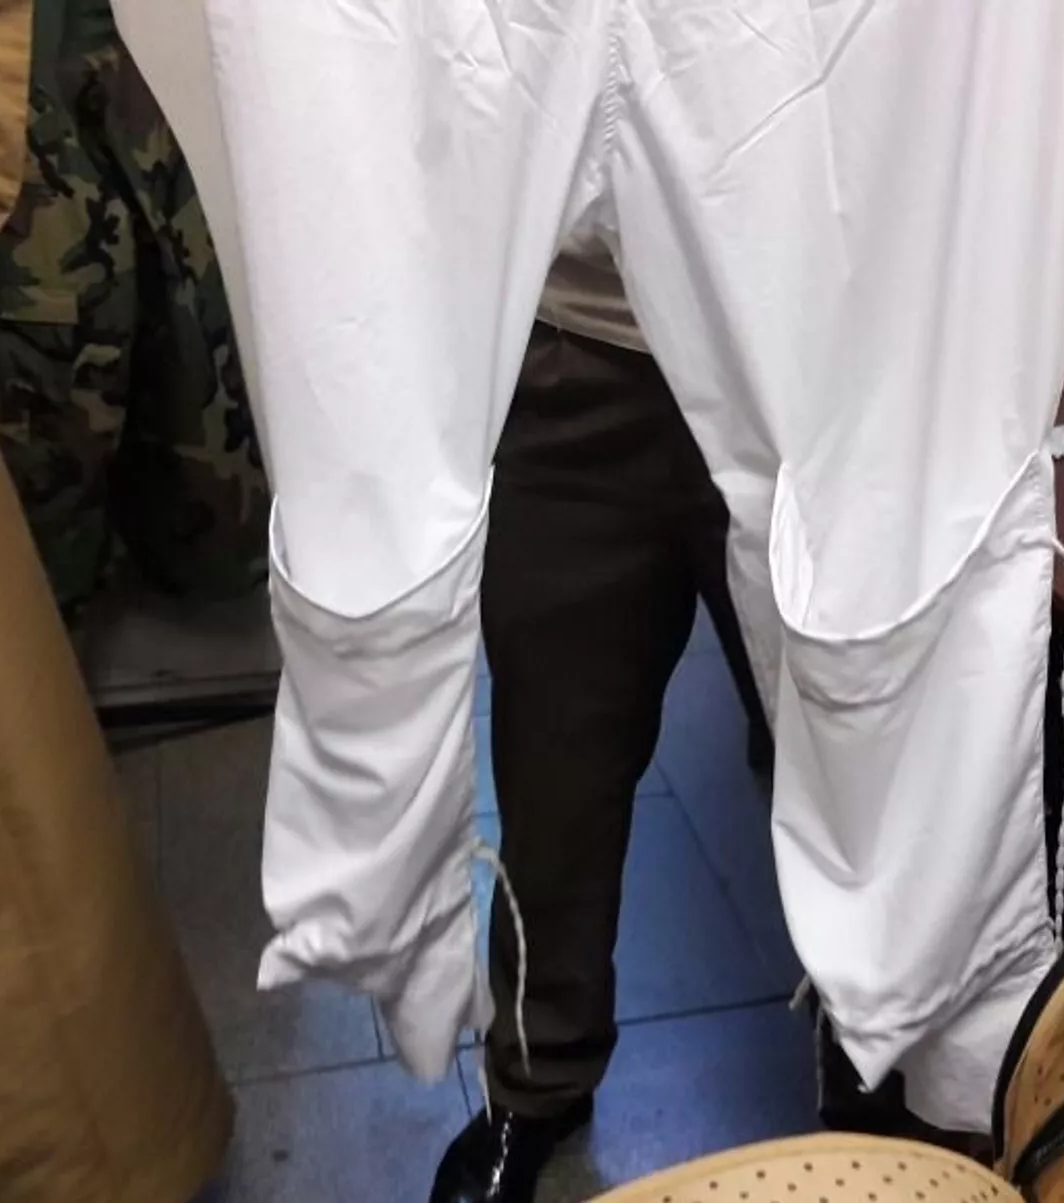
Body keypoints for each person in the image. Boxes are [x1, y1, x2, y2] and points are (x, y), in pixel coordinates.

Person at [431, 236, 772, 1203]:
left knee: (853, 762)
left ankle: (884, 1065)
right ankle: (537, 1074)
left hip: (796, 353)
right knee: (555, 773)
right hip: (578, 351)